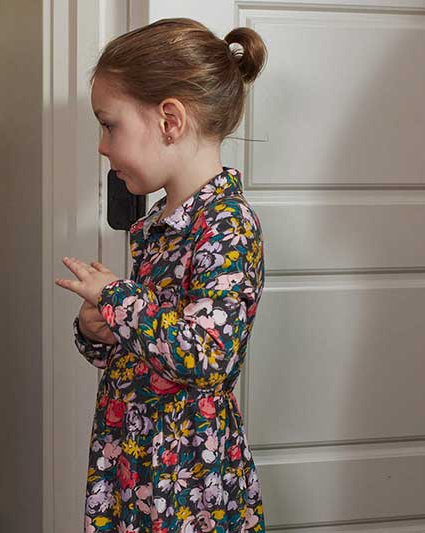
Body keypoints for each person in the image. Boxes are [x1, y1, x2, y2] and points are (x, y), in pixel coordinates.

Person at [55, 17, 268, 533]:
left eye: (110, 125)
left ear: (170, 120)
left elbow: (207, 354)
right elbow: (144, 341)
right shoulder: (156, 226)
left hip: (189, 470)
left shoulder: (228, 225)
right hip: (132, 454)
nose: (103, 146)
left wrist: (118, 297)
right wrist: (96, 328)